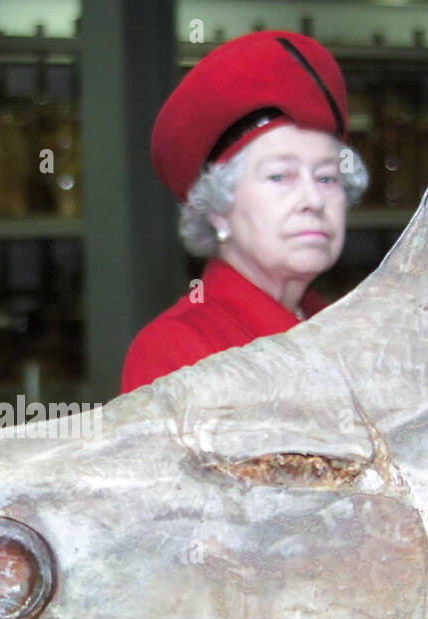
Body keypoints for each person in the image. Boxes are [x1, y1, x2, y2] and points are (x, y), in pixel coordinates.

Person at [120, 30, 368, 394]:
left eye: (327, 177)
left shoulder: (348, 330)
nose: (313, 200)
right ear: (218, 208)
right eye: (280, 175)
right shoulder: (174, 353)